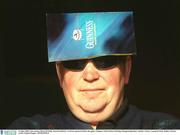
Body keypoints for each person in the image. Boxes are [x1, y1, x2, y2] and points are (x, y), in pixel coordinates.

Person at [8, 11, 180, 129]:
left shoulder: (166, 127)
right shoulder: (28, 129)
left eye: (104, 61)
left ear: (127, 69)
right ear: (60, 74)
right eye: (74, 62)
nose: (90, 75)